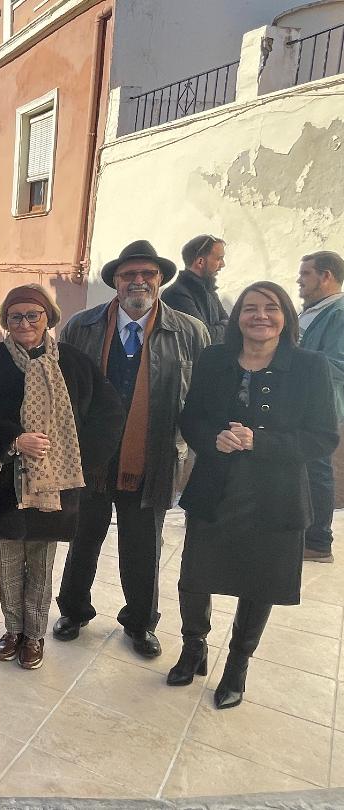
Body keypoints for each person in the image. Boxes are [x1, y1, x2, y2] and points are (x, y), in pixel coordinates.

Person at [168, 281, 338, 708]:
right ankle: (194, 647)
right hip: (214, 490)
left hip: (276, 496)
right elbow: (192, 419)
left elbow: (322, 438)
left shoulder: (309, 366)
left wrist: (257, 442)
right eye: (250, 308)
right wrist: (214, 439)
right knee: (195, 577)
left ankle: (238, 665)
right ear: (238, 317)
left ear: (286, 316)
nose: (260, 316)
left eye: (271, 307)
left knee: (259, 582)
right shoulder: (214, 359)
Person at [53, 240, 209, 658]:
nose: (139, 282)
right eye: (129, 275)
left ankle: (140, 622)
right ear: (116, 283)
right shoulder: (80, 328)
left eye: (148, 275)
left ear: (159, 280)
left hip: (152, 457)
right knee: (82, 538)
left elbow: (201, 400)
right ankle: (73, 610)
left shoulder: (189, 332)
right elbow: (63, 392)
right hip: (91, 457)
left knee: (143, 546)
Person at [0, 285, 123, 669]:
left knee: (42, 566)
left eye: (34, 315)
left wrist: (84, 460)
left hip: (56, 488)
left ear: (49, 318)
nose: (25, 322)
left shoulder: (75, 363)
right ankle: (13, 630)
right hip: (4, 488)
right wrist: (13, 439)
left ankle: (34, 636)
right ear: (6, 322)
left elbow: (109, 413)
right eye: (16, 316)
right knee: (10, 564)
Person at [296, 250, 344, 563]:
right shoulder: (317, 310)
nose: (299, 281)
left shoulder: (338, 313)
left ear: (326, 276)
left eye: (306, 274)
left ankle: (318, 541)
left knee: (318, 469)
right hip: (303, 403)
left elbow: (338, 363)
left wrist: (291, 359)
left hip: (318, 405)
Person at [162, 235, 229, 344]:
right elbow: (205, 337)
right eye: (219, 258)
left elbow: (231, 326)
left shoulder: (209, 291)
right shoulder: (176, 294)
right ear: (200, 262)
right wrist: (226, 326)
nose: (223, 264)